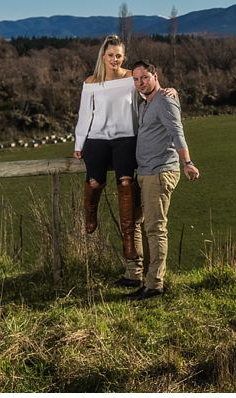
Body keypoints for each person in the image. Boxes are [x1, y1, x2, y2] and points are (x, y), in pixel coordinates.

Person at [72, 35, 176, 284]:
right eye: (110, 55)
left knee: (126, 185)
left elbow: (148, 89)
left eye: (119, 55)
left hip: (127, 137)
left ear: (123, 56)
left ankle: (129, 245)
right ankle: (90, 214)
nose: (115, 59)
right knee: (95, 182)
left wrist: (169, 91)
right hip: (97, 138)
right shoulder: (91, 82)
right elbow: (85, 114)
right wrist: (78, 143)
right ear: (103, 56)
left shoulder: (131, 78)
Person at [126, 60, 200, 300]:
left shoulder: (164, 100)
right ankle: (137, 274)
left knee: (155, 228)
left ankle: (155, 284)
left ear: (155, 76)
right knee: (134, 221)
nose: (140, 83)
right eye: (136, 79)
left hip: (159, 172)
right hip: (145, 172)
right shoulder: (145, 102)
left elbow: (177, 132)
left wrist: (187, 162)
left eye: (144, 78)